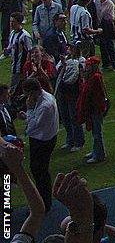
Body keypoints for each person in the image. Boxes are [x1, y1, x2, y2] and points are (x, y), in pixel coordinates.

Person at [19, 77, 58, 211]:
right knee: (39, 171)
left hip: (42, 141)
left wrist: (29, 109)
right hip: (45, 137)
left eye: (27, 93)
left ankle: (44, 204)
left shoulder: (45, 105)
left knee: (40, 172)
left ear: (33, 92)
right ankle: (43, 201)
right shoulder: (46, 98)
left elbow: (33, 126)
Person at [76, 56, 108, 163]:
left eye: (88, 65)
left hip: (95, 109)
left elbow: (95, 95)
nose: (86, 67)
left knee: (97, 132)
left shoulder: (95, 78)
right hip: (92, 108)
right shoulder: (91, 77)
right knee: (94, 131)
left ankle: (99, 154)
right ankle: (96, 151)